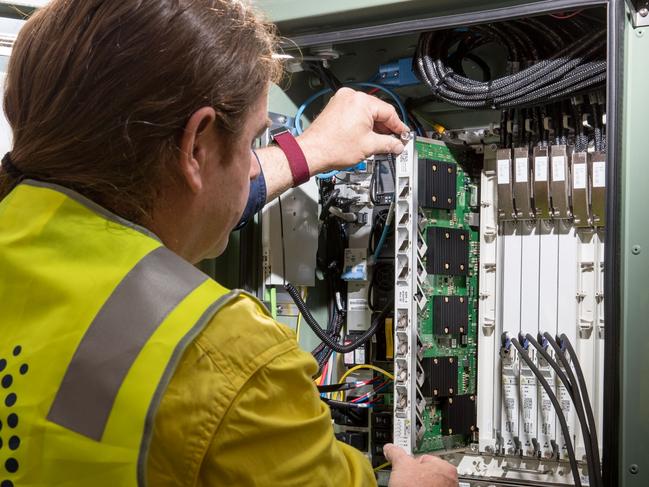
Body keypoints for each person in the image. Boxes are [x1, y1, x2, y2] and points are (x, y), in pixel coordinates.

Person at [0, 1, 458, 486]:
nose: (248, 164)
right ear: (196, 145)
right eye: (248, 143)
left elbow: (171, 196)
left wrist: (310, 151)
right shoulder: (230, 361)